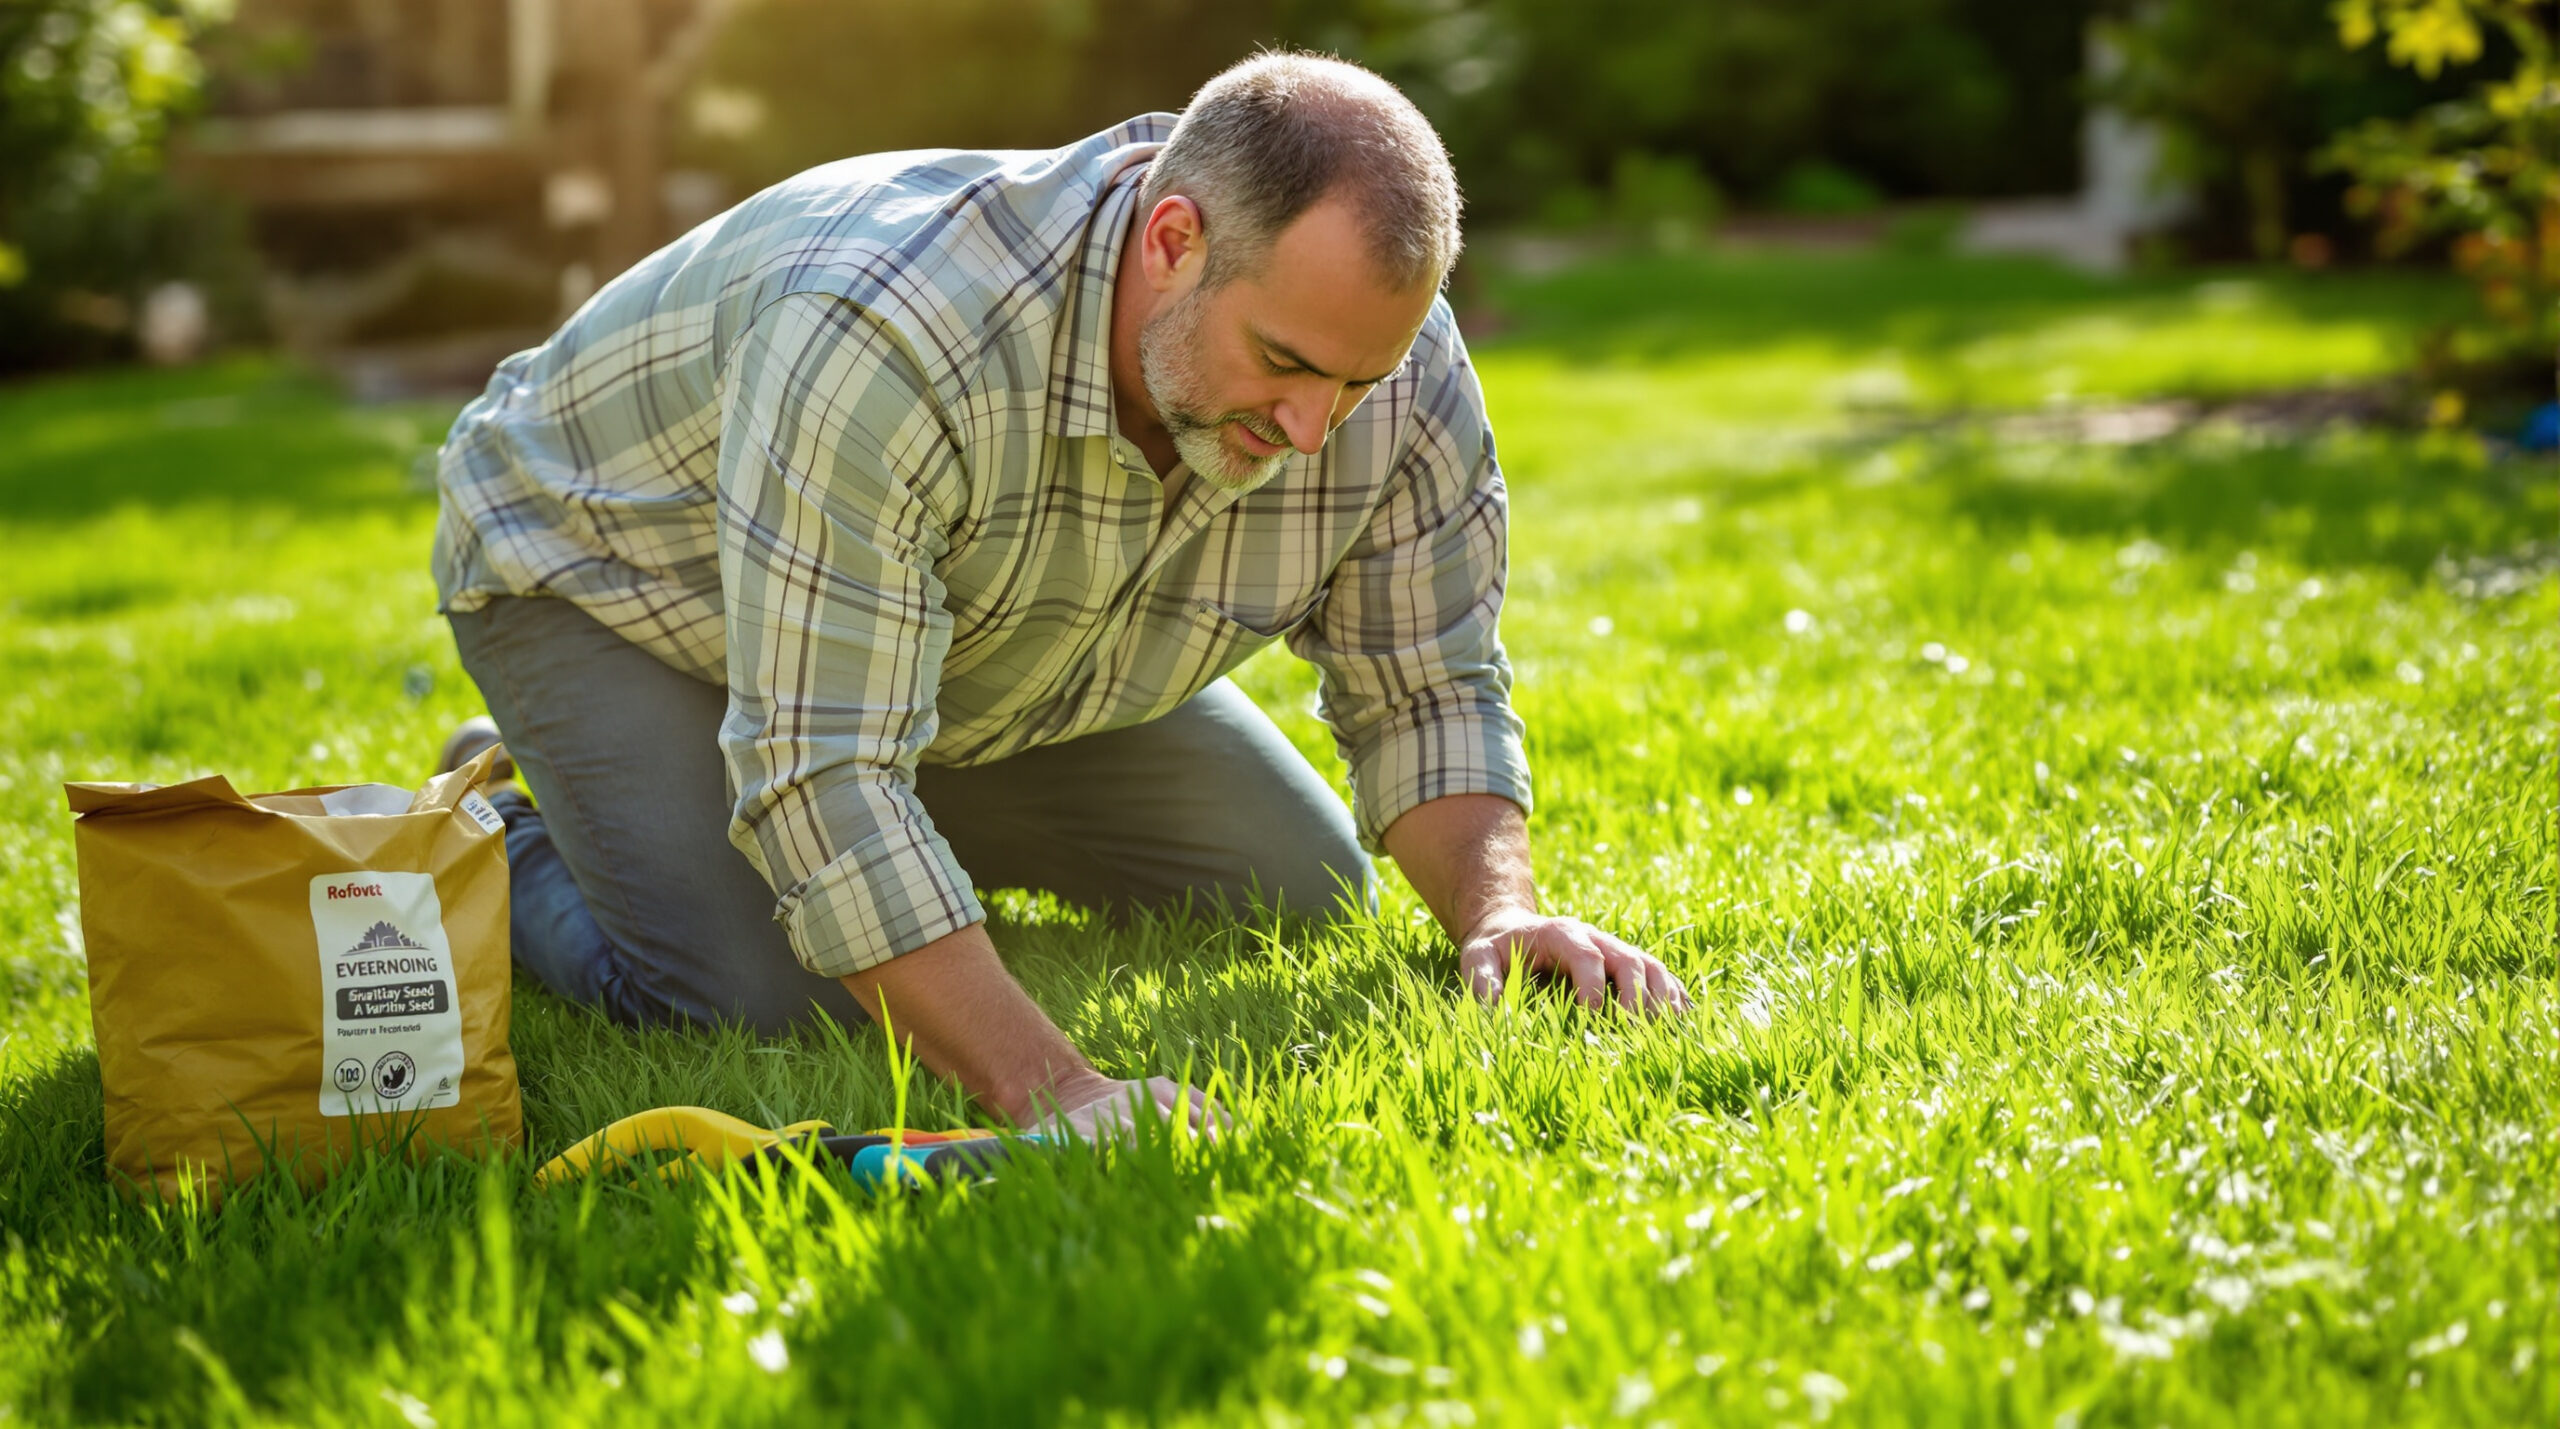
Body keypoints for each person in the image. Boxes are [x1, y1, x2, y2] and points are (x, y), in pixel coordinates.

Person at [430, 51, 1691, 1141]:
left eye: (1356, 384)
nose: (1315, 430)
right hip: (605, 580)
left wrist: (1499, 914)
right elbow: (824, 779)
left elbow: (1424, 677)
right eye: (1286, 365)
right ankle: (511, 828)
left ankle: (825, 833)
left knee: (1295, 886)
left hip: (965, 641)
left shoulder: (1376, 354)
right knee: (768, 995)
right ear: (1172, 238)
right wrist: (1057, 1085)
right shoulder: (888, 331)